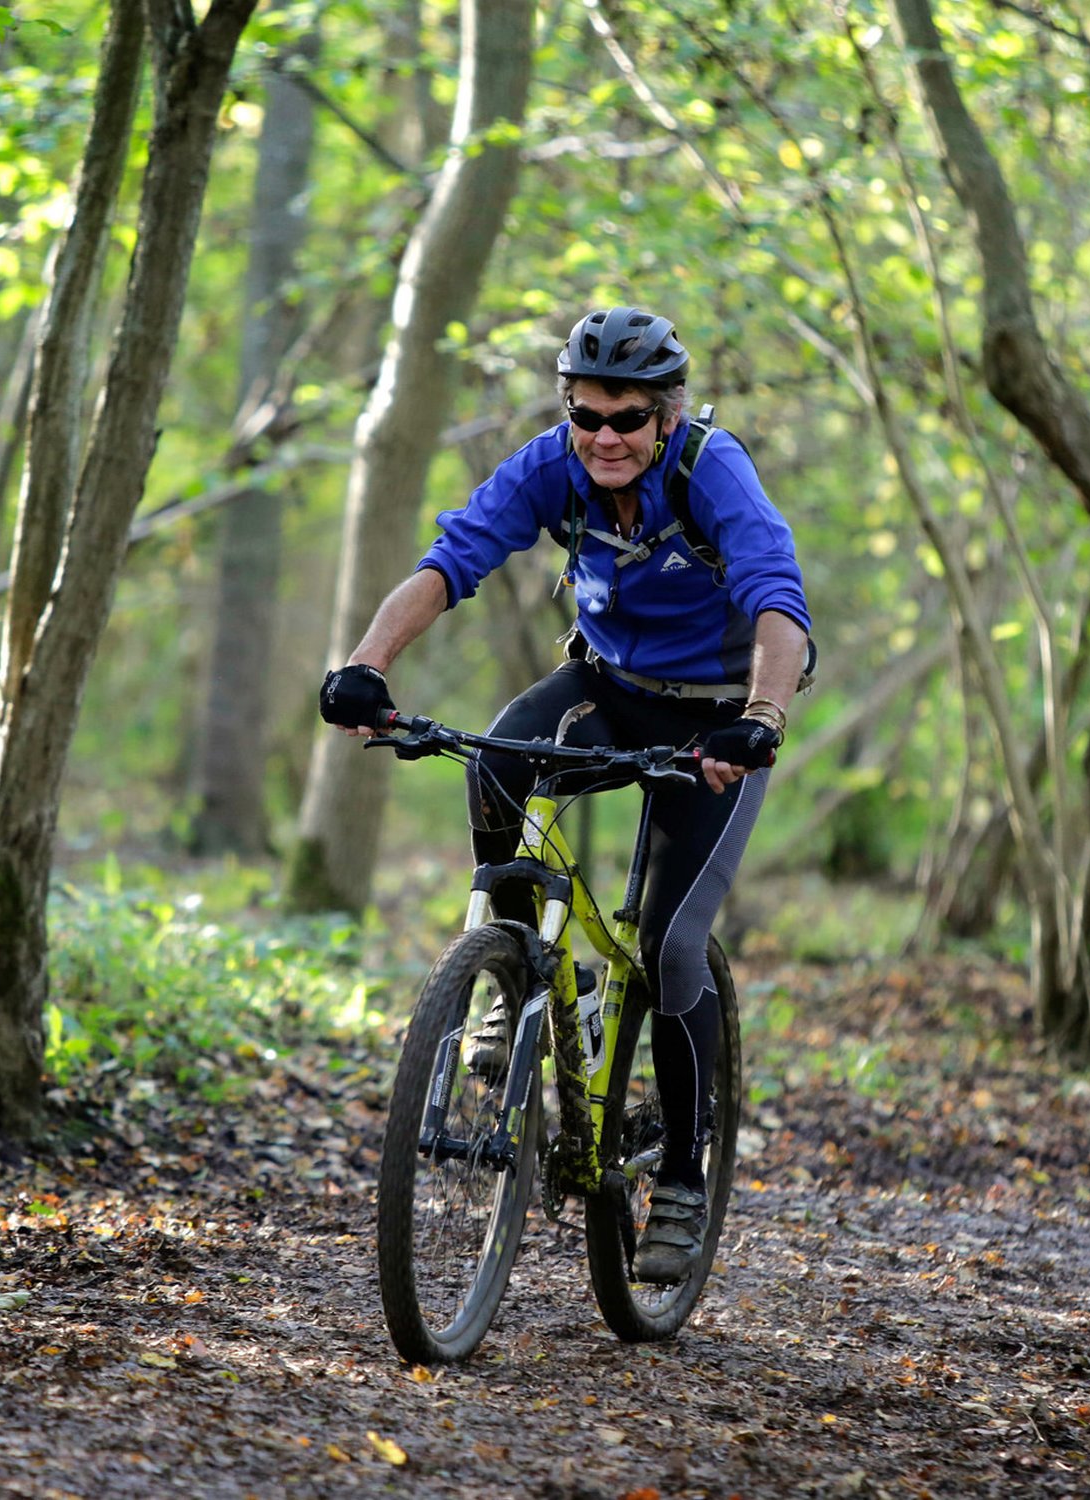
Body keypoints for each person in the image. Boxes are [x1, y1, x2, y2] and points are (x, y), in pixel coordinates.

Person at [318, 305, 810, 1284]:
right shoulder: (555, 465)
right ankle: (518, 977)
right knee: (498, 758)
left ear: (664, 414)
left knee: (671, 946)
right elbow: (452, 558)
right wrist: (367, 665)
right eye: (587, 416)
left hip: (717, 718)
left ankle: (679, 1168)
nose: (605, 439)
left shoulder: (713, 469)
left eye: (626, 418)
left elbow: (776, 599)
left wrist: (761, 717)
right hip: (607, 689)